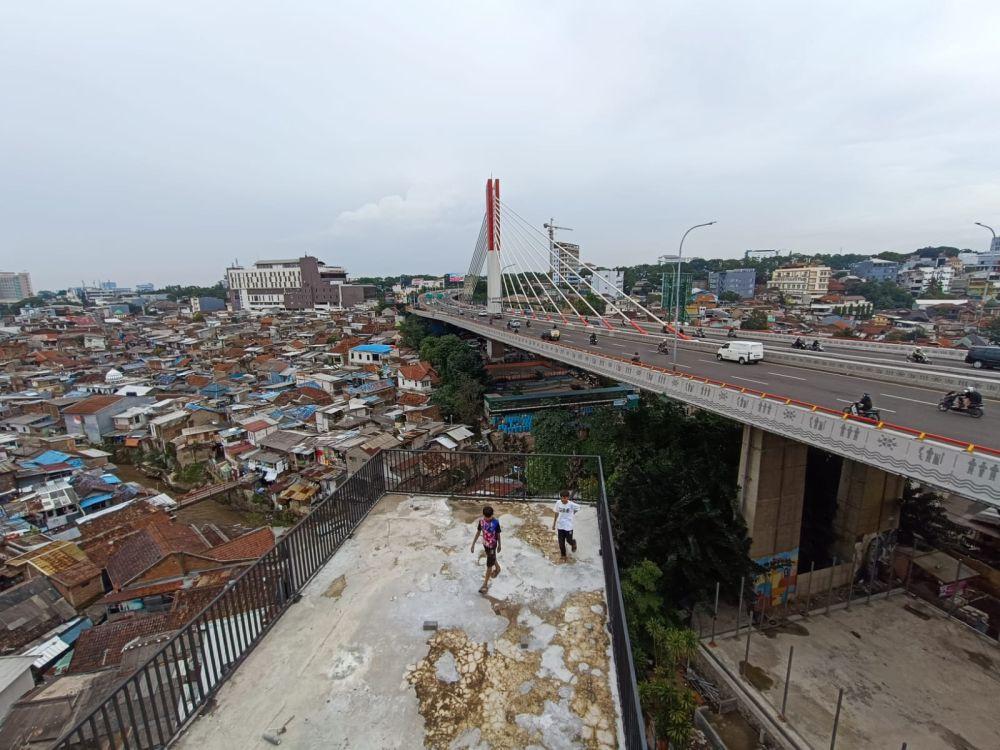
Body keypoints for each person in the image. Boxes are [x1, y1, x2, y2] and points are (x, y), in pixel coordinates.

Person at [471, 505, 502, 594]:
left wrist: (499, 545)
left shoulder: (496, 523)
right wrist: (473, 544)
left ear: (492, 514)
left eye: (489, 517)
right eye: (486, 517)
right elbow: (478, 532)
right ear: (483, 515)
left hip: (492, 545)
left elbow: (498, 534)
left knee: (489, 565)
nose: (487, 519)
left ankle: (485, 584)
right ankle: (498, 568)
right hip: (485, 544)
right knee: (491, 557)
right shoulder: (481, 522)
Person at [552, 490, 580, 559]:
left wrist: (573, 513)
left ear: (568, 497)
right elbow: (556, 513)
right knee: (561, 542)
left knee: (568, 540)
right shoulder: (558, 503)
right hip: (560, 525)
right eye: (562, 498)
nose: (563, 499)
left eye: (564, 498)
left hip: (568, 526)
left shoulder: (571, 504)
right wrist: (554, 524)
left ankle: (573, 543)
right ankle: (563, 555)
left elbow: (579, 507)